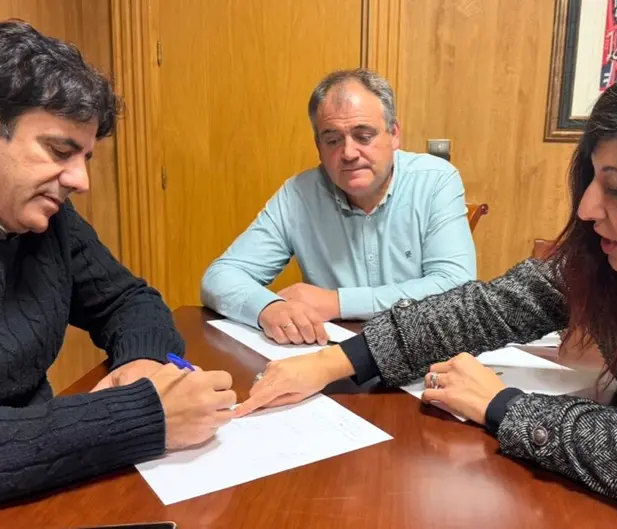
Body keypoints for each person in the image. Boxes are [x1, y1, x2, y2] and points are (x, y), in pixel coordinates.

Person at [234, 58, 617, 527]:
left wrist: (502, 405)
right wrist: (339, 361)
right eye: (592, 179)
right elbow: (488, 304)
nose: (587, 208)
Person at [0, 21, 235, 525]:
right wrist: (138, 418)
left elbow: (128, 300)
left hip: (38, 484)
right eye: (60, 151)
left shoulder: (46, 218)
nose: (80, 180)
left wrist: (141, 363)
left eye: (84, 158)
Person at [201, 69, 476, 346]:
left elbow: (455, 285)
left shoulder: (435, 179)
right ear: (318, 146)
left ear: (394, 134)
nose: (348, 153)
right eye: (333, 140)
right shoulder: (299, 194)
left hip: (419, 350)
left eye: (363, 136)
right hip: (331, 355)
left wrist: (336, 302)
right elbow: (220, 277)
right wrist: (267, 308)